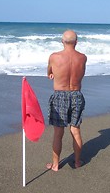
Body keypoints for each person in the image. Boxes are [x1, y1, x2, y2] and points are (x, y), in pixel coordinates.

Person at [46, 30, 87, 171]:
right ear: (76, 42)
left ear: (62, 41)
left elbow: (49, 72)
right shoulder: (83, 58)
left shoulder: (54, 57)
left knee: (58, 133)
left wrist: (52, 74)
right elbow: (81, 74)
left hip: (60, 95)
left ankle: (56, 165)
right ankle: (77, 162)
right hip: (76, 94)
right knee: (75, 130)